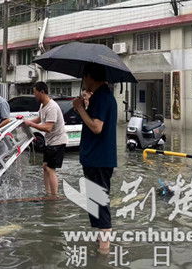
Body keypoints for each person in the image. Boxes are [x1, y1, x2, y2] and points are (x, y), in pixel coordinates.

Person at [72, 64, 117, 254]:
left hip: (99, 159)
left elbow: (97, 127)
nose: (84, 81)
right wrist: (84, 108)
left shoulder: (103, 97)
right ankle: (101, 244)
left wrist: (81, 109)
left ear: (90, 77)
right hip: (95, 158)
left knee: (100, 204)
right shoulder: (101, 97)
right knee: (96, 204)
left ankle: (104, 252)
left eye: (84, 77)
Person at [24, 82, 68, 197]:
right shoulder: (43, 105)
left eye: (35, 93)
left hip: (58, 141)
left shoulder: (52, 107)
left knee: (50, 168)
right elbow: (40, 118)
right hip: (50, 141)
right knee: (45, 167)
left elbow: (48, 128)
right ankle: (48, 193)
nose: (34, 95)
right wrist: (25, 123)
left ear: (42, 92)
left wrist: (31, 125)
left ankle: (54, 196)